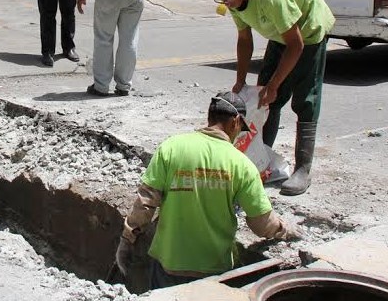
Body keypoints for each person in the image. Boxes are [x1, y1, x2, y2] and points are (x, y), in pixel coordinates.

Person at [115, 92, 299, 290]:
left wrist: (127, 240)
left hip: (168, 264)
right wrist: (286, 230)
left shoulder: (171, 148)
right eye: (240, 129)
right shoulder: (242, 165)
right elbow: (261, 224)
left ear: (209, 117)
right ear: (236, 121)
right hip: (214, 270)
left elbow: (145, 203)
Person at [205, 0, 335, 196]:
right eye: (222, 1)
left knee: (305, 100)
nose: (228, 5)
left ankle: (303, 170)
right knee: (265, 99)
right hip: (281, 34)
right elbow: (244, 39)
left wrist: (275, 85)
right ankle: (262, 162)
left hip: (308, 32)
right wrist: (240, 81)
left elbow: (296, 45)